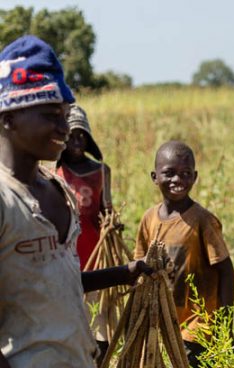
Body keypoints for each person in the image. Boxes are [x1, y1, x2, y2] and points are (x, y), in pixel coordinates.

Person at [0, 35, 149, 368]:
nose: (65, 128)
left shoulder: (59, 190)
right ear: (9, 118)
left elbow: (59, 285)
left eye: (66, 114)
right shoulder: (4, 199)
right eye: (51, 115)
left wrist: (124, 273)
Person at [133, 140, 234, 367]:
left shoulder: (202, 220)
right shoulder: (149, 219)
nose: (177, 180)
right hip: (162, 321)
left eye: (185, 173)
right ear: (154, 177)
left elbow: (226, 270)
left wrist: (225, 325)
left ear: (195, 177)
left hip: (198, 326)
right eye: (169, 173)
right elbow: (139, 265)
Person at [55, 104, 114, 363]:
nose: (76, 142)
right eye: (71, 136)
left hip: (95, 254)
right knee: (69, 316)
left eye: (82, 136)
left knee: (99, 319)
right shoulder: (53, 173)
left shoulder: (101, 171)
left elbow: (107, 209)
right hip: (66, 257)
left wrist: (112, 224)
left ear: (89, 139)